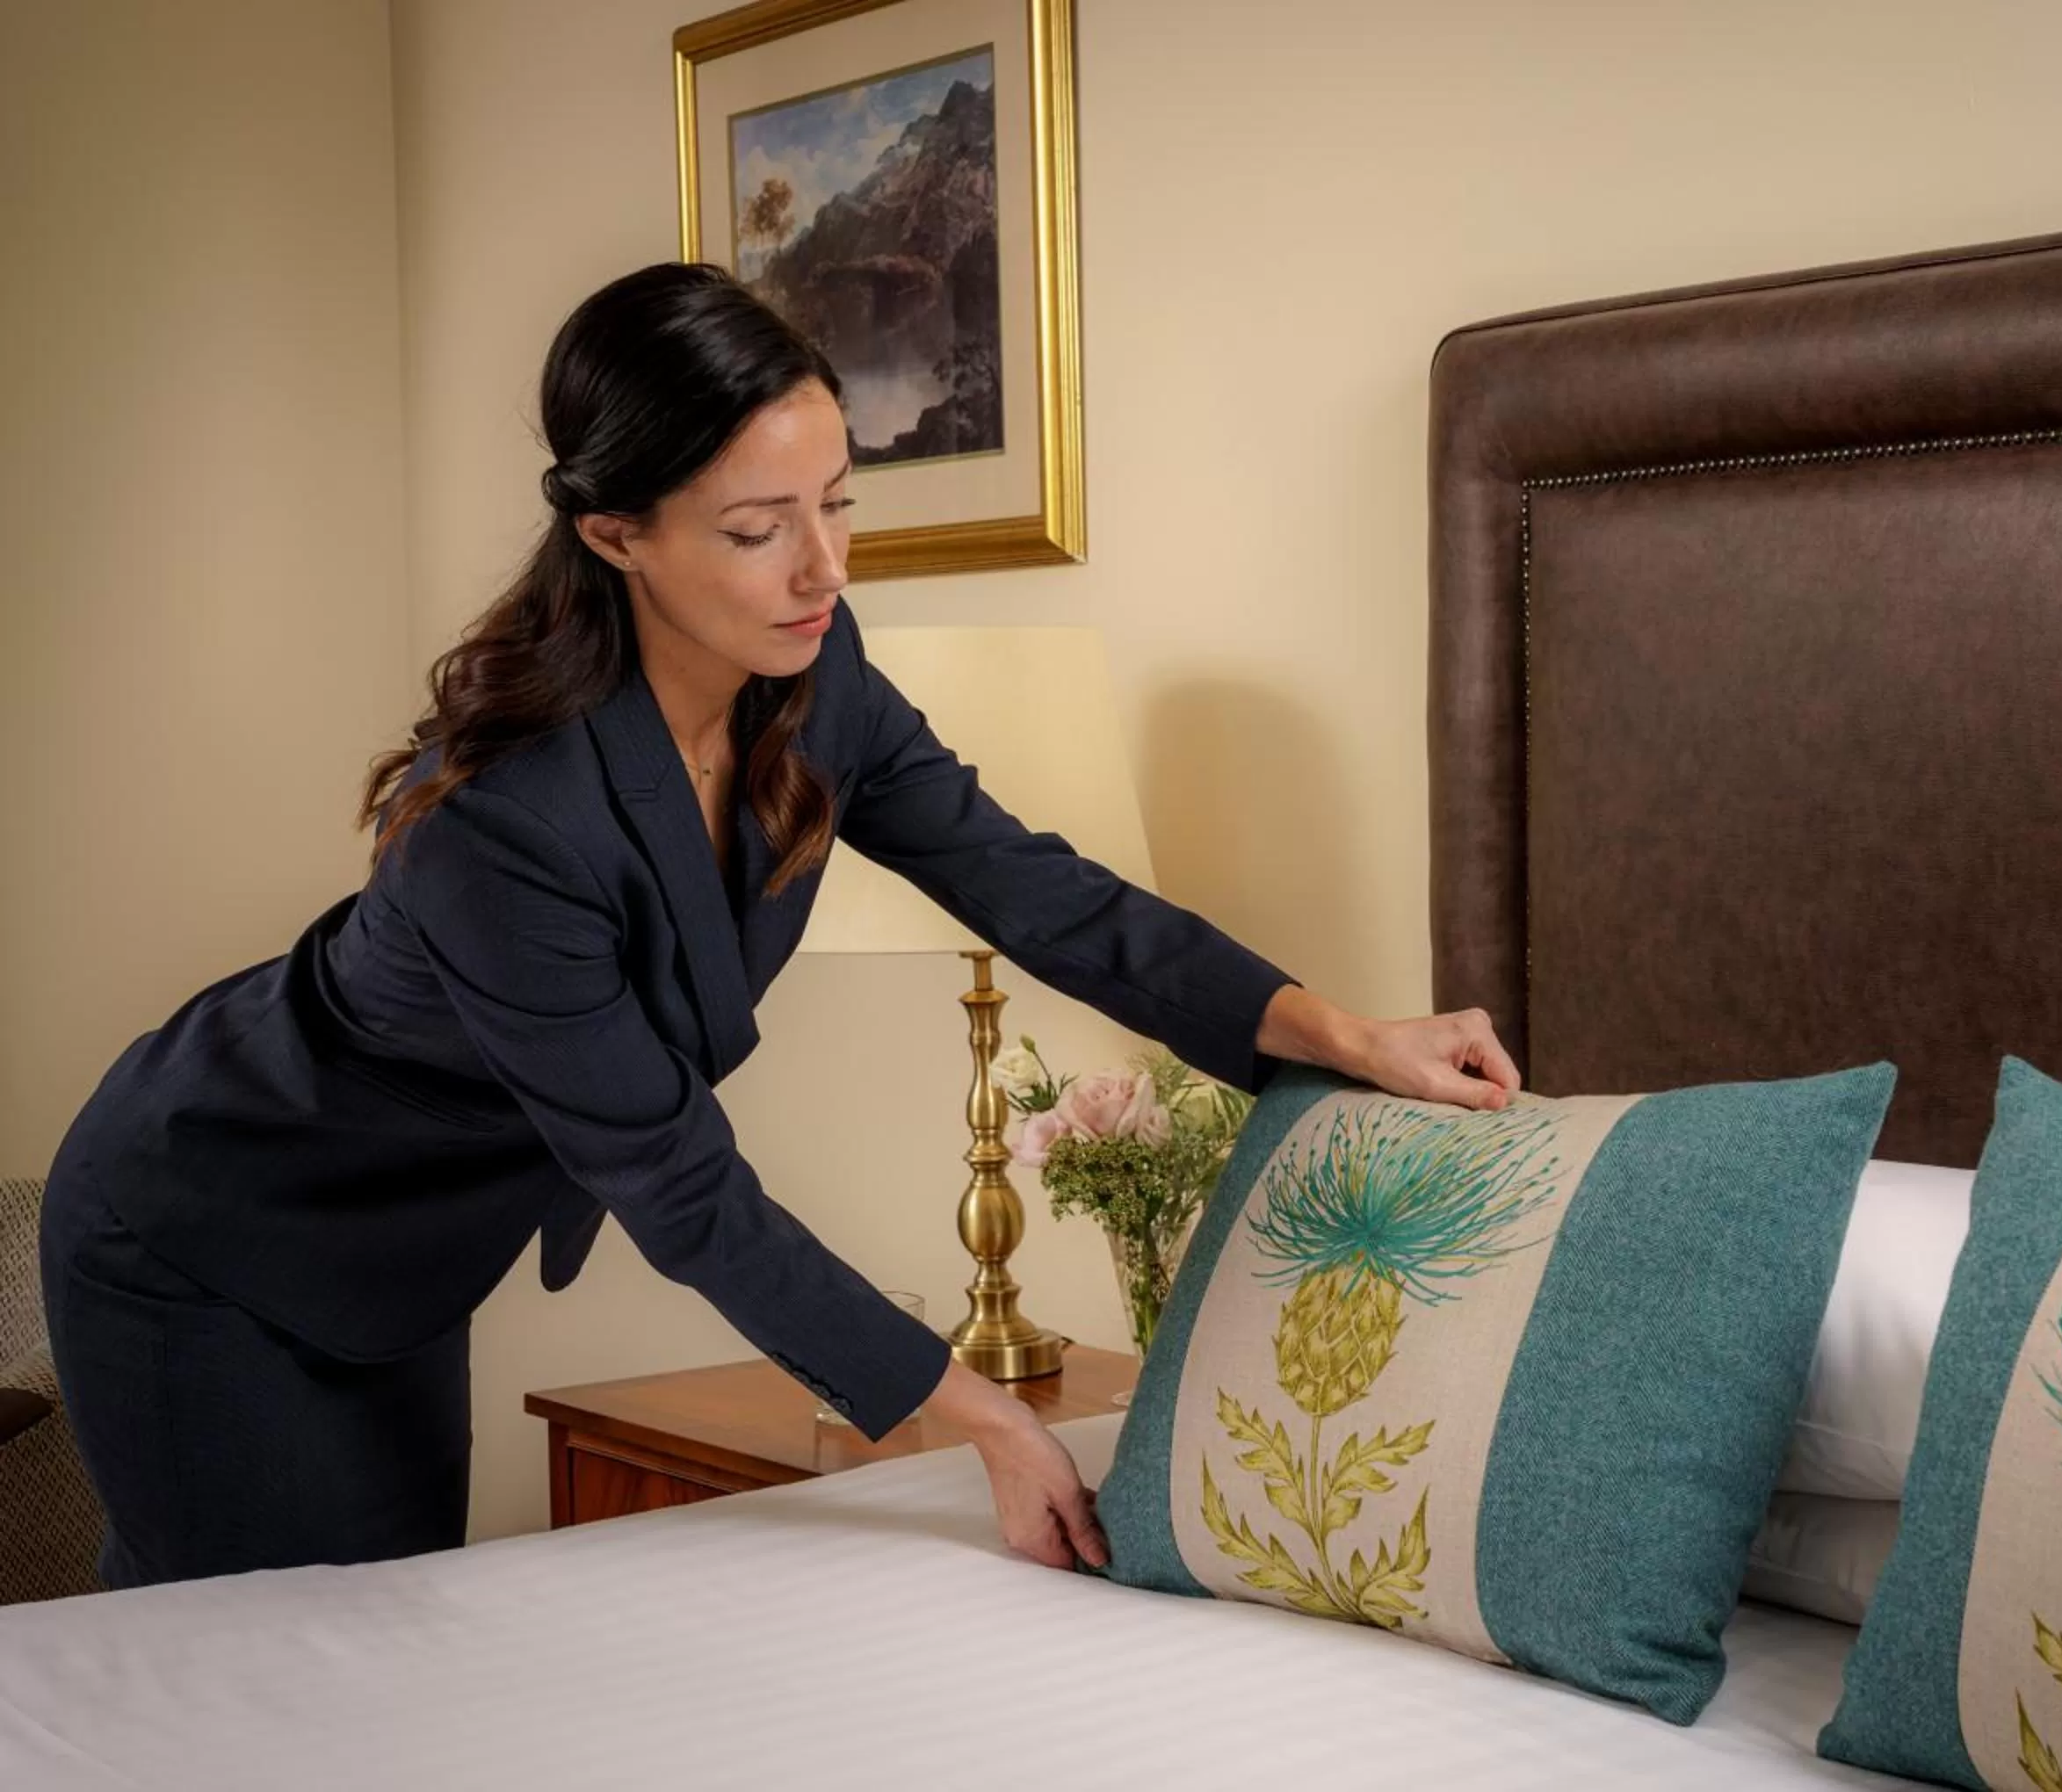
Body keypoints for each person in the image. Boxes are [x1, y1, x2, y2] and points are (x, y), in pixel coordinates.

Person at [40, 262, 1521, 1592]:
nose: (825, 568)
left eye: (838, 503)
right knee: (229, 1669)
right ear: (616, 533)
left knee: (378, 1640)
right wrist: (980, 1416)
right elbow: (683, 1189)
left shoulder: (815, 675)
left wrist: (1343, 1033)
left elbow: (1037, 889)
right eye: (759, 529)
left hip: (401, 1262)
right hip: (210, 1221)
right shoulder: (501, 823)